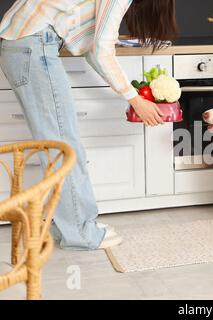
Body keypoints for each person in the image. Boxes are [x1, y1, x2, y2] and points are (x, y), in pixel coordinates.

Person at [0, 0, 177, 250]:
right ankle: (82, 233)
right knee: (64, 147)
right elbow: (102, 50)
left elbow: (94, 52)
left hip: (21, 45)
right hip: (35, 45)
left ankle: (67, 227)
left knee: (56, 146)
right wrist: (135, 99)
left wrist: (128, 95)